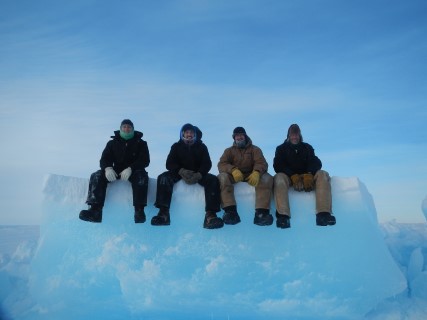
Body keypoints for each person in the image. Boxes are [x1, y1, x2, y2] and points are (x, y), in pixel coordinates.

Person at [151, 123, 224, 229]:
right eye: (187, 132)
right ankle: (163, 213)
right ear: (182, 134)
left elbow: (207, 163)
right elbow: (169, 163)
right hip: (179, 173)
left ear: (195, 134)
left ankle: (210, 215)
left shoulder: (202, 147)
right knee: (163, 177)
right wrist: (180, 171)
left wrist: (199, 174)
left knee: (213, 180)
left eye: (191, 132)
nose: (189, 134)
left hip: (197, 174)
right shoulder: (176, 146)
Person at [79, 119, 150, 223]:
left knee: (142, 176)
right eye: (124, 127)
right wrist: (107, 168)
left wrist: (131, 168)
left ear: (133, 129)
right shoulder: (112, 143)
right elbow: (104, 159)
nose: (126, 129)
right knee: (97, 175)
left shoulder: (141, 143)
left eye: (129, 127)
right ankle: (95, 211)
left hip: (134, 171)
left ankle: (139, 212)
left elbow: (145, 160)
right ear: (120, 129)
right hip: (116, 170)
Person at [273, 124, 336, 228]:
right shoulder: (281, 149)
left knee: (322, 174)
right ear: (288, 135)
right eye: (292, 135)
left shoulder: (307, 147)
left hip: (307, 176)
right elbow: (278, 165)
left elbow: (316, 162)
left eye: (296, 135)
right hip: (289, 177)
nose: (294, 137)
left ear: (300, 135)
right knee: (279, 177)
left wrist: (310, 173)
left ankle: (323, 214)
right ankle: (283, 217)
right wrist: (292, 175)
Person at [218, 127, 274, 226]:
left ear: (245, 136)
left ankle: (261, 213)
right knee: (222, 177)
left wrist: (256, 172)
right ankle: (230, 212)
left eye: (241, 135)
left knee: (267, 178)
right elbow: (222, 164)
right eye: (236, 135)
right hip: (234, 176)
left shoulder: (255, 149)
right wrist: (233, 170)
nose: (239, 137)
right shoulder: (228, 151)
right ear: (234, 138)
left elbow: (262, 163)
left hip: (251, 175)